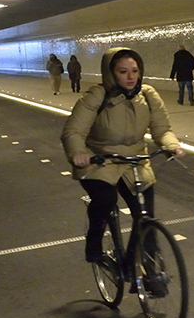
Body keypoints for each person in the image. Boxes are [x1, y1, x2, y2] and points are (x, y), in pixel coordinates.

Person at [62, 48, 183, 277]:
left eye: (134, 71)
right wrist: (78, 152)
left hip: (135, 161)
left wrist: (171, 145)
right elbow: (73, 131)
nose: (130, 76)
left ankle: (146, 269)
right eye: (123, 71)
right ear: (111, 73)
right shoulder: (97, 96)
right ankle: (94, 245)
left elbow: (162, 129)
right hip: (100, 161)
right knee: (105, 200)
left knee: (144, 215)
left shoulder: (147, 95)